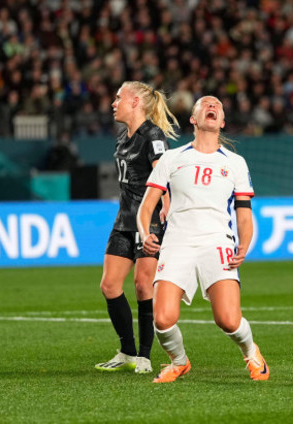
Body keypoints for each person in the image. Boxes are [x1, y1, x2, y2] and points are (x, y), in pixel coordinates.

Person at [136, 96, 269, 383]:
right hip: (176, 243)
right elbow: (147, 207)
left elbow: (243, 213)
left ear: (221, 122)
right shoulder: (172, 158)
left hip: (217, 242)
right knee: (162, 318)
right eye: (205, 104)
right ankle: (179, 361)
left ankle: (251, 352)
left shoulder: (235, 163)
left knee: (229, 320)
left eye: (218, 106)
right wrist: (145, 233)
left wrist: (243, 243)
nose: (212, 106)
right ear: (193, 119)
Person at [94, 81, 179, 374]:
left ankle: (144, 355)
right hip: (124, 220)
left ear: (135, 102)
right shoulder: (123, 136)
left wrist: (167, 206)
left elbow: (162, 174)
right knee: (109, 285)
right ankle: (126, 351)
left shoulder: (153, 135)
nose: (113, 102)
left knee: (144, 286)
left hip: (149, 220)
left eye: (119, 97)